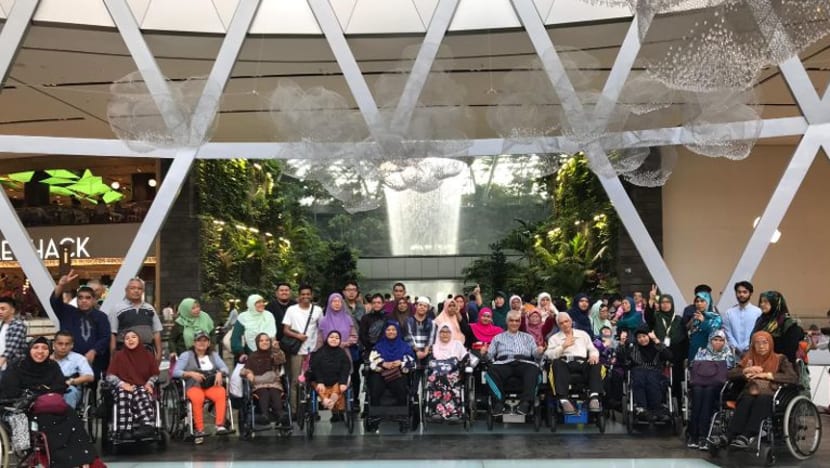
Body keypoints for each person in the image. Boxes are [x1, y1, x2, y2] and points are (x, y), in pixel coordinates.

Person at [0, 337, 99, 468]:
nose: (40, 351)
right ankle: (60, 461)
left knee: (70, 415)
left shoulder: (52, 366)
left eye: (44, 348)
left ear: (49, 351)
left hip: (48, 405)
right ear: (29, 349)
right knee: (47, 421)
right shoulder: (17, 366)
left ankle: (83, 459)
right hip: (23, 407)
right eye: (36, 348)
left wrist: (44, 394)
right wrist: (35, 394)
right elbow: (10, 391)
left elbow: (60, 386)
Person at [723, 331, 798, 449]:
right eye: (757, 343)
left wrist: (768, 375)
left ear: (770, 344)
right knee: (746, 399)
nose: (761, 346)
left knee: (761, 400)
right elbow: (730, 374)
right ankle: (730, 435)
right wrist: (746, 371)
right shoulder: (749, 358)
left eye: (764, 342)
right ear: (753, 345)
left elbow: (792, 377)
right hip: (750, 391)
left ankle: (747, 435)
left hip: (770, 393)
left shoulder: (780, 359)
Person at [171, 330, 229, 443]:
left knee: (221, 391)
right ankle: (199, 429)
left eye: (205, 340)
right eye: (199, 340)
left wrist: (220, 373)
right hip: (194, 385)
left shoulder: (213, 355)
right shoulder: (186, 355)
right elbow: (175, 372)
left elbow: (225, 368)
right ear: (194, 343)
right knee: (197, 398)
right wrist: (190, 373)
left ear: (209, 343)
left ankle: (220, 425)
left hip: (209, 385)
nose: (202, 343)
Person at [52, 271, 111, 377]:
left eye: (88, 298)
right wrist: (61, 285)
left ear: (94, 300)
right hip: (68, 360)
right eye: (80, 297)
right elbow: (55, 301)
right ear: (77, 299)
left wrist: (94, 351)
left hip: (93, 361)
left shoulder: (101, 317)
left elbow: (105, 337)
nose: (84, 300)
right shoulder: (67, 312)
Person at [485, 310, 544, 416]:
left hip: (524, 362)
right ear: (507, 322)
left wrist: (539, 352)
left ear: (520, 322)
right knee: (491, 370)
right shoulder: (497, 338)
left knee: (534, 369)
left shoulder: (528, 337)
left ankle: (525, 403)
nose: (514, 323)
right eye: (511, 320)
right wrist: (484, 353)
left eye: (517, 321)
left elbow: (536, 355)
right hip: (504, 363)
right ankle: (499, 403)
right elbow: (489, 356)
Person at [546, 312, 603, 414]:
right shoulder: (554, 338)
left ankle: (594, 397)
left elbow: (592, 349)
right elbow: (549, 355)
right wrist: (563, 346)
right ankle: (563, 400)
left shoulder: (583, 334)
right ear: (558, 325)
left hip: (581, 361)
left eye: (566, 321)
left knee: (596, 363)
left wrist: (593, 355)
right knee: (557, 363)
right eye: (561, 323)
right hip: (565, 362)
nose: (565, 324)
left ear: (571, 321)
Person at [106, 330, 159, 439]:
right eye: (127, 338)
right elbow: (109, 376)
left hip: (141, 385)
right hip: (122, 386)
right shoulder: (119, 356)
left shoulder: (147, 355)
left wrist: (149, 384)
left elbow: (155, 374)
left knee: (142, 393)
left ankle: (147, 426)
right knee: (124, 395)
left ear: (139, 339)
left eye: (133, 337)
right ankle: (124, 429)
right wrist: (121, 384)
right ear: (124, 342)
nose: (130, 340)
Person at [687, 329, 735, 450]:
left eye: (721, 340)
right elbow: (692, 366)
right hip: (699, 383)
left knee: (708, 393)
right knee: (697, 393)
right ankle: (693, 435)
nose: (718, 342)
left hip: (717, 386)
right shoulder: (701, 352)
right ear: (710, 340)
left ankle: (703, 435)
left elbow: (730, 373)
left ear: (725, 342)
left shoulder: (728, 355)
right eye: (715, 339)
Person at [282, 284, 322, 414]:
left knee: (312, 380)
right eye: (303, 294)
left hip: (313, 351)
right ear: (299, 296)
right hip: (297, 351)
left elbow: (321, 329)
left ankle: (312, 409)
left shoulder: (317, 310)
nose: (305, 296)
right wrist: (297, 336)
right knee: (296, 380)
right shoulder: (291, 310)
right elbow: (286, 330)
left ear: (311, 295)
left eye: (308, 294)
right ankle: (295, 410)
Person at [618, 326, 672, 421]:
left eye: (644, 336)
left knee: (652, 380)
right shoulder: (633, 348)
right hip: (638, 370)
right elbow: (623, 359)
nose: (642, 339)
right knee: (639, 379)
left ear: (649, 336)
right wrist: (622, 344)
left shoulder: (657, 346)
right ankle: (641, 408)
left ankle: (656, 408)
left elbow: (669, 356)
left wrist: (656, 340)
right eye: (639, 337)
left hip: (654, 370)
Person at [367, 320, 415, 420]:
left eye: (393, 330)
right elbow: (372, 361)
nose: (391, 332)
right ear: (384, 332)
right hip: (381, 373)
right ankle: (376, 415)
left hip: (398, 373)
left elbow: (412, 362)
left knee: (401, 388)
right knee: (375, 387)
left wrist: (401, 363)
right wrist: (382, 363)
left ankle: (401, 415)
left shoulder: (405, 346)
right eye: (388, 330)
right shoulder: (378, 346)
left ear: (397, 331)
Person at [108, 278, 163, 363]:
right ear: (126, 290)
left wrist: (159, 353)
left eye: (139, 288)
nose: (136, 291)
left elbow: (156, 332)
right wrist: (113, 356)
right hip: (125, 352)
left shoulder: (150, 308)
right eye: (132, 288)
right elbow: (113, 334)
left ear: (143, 291)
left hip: (147, 352)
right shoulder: (117, 309)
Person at [240, 333, 289, 426]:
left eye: (267, 340)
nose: (264, 342)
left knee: (274, 392)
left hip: (273, 383)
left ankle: (280, 414)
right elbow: (243, 370)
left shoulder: (273, 354)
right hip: (259, 384)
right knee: (264, 392)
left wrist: (276, 350)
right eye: (261, 341)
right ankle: (264, 415)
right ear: (257, 343)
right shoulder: (252, 356)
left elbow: (281, 359)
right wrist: (248, 373)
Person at [425, 324, 468, 420]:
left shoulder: (457, 345)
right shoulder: (434, 347)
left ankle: (454, 412)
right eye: (442, 332)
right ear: (438, 333)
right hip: (436, 375)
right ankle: (437, 411)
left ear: (451, 333)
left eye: (448, 332)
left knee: (447, 378)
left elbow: (466, 359)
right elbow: (430, 363)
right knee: (436, 379)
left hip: (453, 374)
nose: (445, 334)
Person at [307, 330, 352, 416]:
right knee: (320, 388)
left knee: (339, 387)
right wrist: (320, 381)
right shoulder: (319, 353)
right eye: (331, 337)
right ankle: (326, 400)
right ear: (327, 339)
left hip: (336, 380)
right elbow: (315, 368)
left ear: (340, 340)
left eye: (337, 338)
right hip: (320, 379)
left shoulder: (342, 353)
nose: (334, 339)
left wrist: (343, 382)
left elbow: (345, 369)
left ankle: (330, 401)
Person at [752, 290, 804, 363]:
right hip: (759, 363)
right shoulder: (760, 320)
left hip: (780, 364)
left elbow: (790, 351)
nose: (762, 304)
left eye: (765, 302)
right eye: (761, 302)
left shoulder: (787, 323)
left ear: (775, 303)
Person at [52, 330, 95, 409]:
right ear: (54, 344)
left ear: (72, 345)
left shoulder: (79, 358)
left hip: (70, 388)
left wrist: (72, 381)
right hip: (51, 389)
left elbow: (90, 376)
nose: (63, 347)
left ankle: (68, 416)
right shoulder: (47, 358)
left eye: (67, 344)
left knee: (70, 391)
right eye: (60, 344)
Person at [722, 281, 762, 356]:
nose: (741, 295)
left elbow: (758, 331)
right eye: (739, 292)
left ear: (750, 293)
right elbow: (727, 332)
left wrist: (746, 345)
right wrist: (736, 346)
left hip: (752, 351)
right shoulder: (729, 313)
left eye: (745, 292)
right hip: (733, 352)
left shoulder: (758, 312)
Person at [687, 291, 723, 361]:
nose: (699, 303)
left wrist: (703, 321)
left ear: (708, 302)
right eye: (697, 301)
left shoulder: (716, 317)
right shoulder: (696, 316)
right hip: (694, 353)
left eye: (702, 301)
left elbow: (714, 333)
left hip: (708, 355)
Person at [0, 296, 28, 377]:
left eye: (3, 309)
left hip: (13, 366)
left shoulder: (18, 325)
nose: (0, 311)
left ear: (12, 310)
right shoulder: (2, 323)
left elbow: (11, 348)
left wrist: (1, 361)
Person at [359, 293, 387, 360]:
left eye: (379, 303)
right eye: (374, 303)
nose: (376, 304)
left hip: (385, 348)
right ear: (371, 304)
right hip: (369, 349)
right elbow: (362, 335)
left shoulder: (387, 318)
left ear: (383, 304)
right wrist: (371, 347)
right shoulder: (365, 318)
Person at [408, 296, 436, 363]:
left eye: (425, 306)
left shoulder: (432, 322)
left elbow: (431, 337)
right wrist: (417, 351)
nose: (422, 307)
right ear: (416, 306)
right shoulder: (408, 321)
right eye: (420, 305)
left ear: (428, 309)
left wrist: (425, 352)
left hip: (427, 353)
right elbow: (408, 337)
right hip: (411, 352)